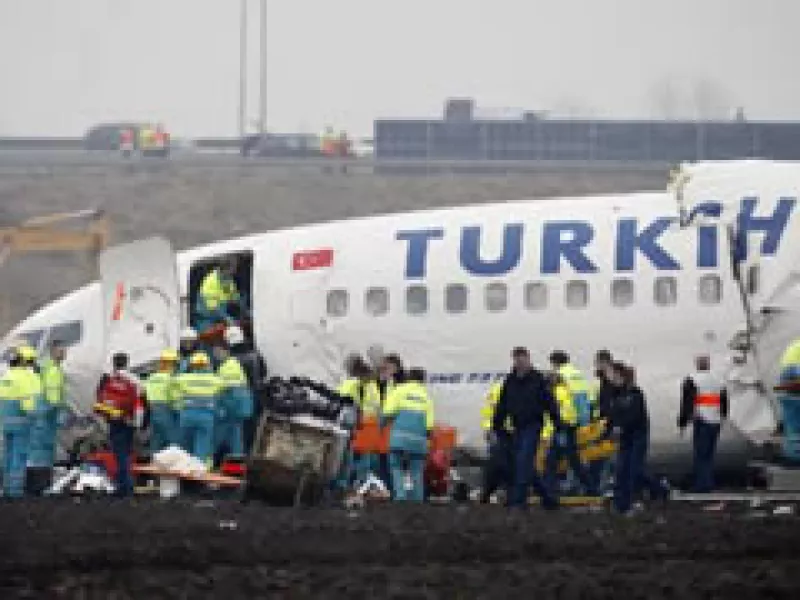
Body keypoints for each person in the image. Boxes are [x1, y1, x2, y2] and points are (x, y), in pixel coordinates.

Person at [492, 346, 561, 510]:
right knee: (523, 464)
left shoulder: (538, 379)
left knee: (523, 460)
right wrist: (497, 425)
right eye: (517, 359)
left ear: (528, 359)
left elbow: (549, 402)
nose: (520, 362)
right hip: (517, 426)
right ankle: (548, 499)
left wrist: (557, 422)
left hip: (533, 425)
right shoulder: (510, 380)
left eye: (523, 359)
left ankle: (518, 501)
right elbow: (502, 404)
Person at [607, 362, 668, 514]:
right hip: (625, 437)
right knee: (622, 469)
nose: (610, 377)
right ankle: (621, 503)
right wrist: (610, 429)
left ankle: (656, 489)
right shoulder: (615, 393)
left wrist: (620, 426)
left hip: (637, 435)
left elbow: (635, 415)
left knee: (634, 469)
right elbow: (613, 414)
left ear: (620, 375)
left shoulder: (635, 393)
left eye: (612, 374)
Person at [94, 353, 145, 497]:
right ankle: (124, 485)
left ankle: (125, 487)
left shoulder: (109, 378)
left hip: (115, 420)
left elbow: (100, 399)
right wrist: (139, 423)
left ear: (114, 363)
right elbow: (141, 401)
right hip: (129, 420)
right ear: (127, 363)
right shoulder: (134, 380)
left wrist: (105, 416)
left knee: (120, 454)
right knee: (126, 453)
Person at [382, 367, 434, 502]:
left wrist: (381, 425)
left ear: (409, 377)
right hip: (418, 439)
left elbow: (388, 411)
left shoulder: (399, 390)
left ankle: (400, 496)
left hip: (399, 436)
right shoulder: (426, 396)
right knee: (416, 469)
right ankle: (418, 499)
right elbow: (429, 424)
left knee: (395, 465)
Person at [678, 355, 728, 493]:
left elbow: (687, 402)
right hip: (715, 420)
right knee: (710, 454)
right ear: (708, 364)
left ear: (697, 365)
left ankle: (701, 484)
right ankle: (708, 482)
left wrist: (682, 423)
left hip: (702, 418)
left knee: (701, 453)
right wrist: (722, 417)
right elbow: (724, 401)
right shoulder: (718, 380)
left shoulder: (692, 380)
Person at [543, 371, 596, 498]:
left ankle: (549, 491)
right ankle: (591, 488)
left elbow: (560, 413)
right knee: (571, 461)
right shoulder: (564, 391)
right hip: (566, 429)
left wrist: (556, 431)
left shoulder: (557, 393)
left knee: (553, 462)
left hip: (563, 429)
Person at [174, 351, 223, 465]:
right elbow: (221, 393)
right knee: (202, 445)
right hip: (206, 416)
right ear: (207, 365)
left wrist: (183, 368)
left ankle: (184, 469)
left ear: (192, 365)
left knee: (185, 445)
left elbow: (174, 382)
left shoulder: (183, 378)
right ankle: (198, 469)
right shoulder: (216, 380)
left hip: (187, 416)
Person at [212, 327, 253, 458]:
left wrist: (220, 408)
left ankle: (211, 462)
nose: (215, 355)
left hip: (231, 406)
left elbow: (222, 389)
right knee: (237, 437)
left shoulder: (228, 366)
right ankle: (238, 461)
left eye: (217, 352)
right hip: (242, 405)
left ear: (226, 350)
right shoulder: (249, 358)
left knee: (220, 436)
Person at [0, 351, 37, 497]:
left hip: (6, 423)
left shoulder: (5, 377)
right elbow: (27, 402)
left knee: (8, 454)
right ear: (21, 362)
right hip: (21, 422)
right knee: (19, 455)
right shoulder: (23, 377)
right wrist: (34, 414)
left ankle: (7, 487)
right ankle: (16, 490)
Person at [340, 355, 381, 486]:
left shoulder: (351, 383)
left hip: (356, 425)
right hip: (369, 426)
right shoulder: (373, 385)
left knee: (347, 458)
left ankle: (344, 486)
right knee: (364, 461)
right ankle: (359, 486)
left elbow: (341, 400)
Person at [34, 340, 68, 468]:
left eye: (65, 351)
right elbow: (46, 392)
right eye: (61, 351)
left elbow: (59, 392)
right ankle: (39, 479)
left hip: (49, 414)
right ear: (53, 351)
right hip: (45, 413)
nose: (64, 354)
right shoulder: (47, 368)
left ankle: (44, 476)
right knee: (41, 448)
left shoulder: (56, 369)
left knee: (48, 447)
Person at [479, 380, 513, 503]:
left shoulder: (497, 389)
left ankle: (496, 491)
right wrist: (489, 428)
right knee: (499, 462)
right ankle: (496, 491)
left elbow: (488, 411)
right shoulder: (501, 390)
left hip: (507, 431)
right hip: (503, 431)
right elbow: (489, 411)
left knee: (499, 462)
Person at [195, 261, 246, 336]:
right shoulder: (210, 282)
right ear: (225, 268)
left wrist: (246, 310)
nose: (235, 272)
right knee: (209, 338)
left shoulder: (227, 278)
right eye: (233, 269)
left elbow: (235, 297)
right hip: (206, 319)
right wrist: (228, 319)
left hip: (221, 315)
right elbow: (214, 307)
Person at [144, 348, 180, 455]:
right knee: (172, 440)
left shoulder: (152, 377)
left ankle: (154, 464)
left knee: (156, 439)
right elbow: (174, 397)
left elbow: (144, 393)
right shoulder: (171, 378)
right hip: (166, 409)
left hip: (152, 410)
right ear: (171, 364)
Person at [549, 350, 592, 426]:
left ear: (554, 362)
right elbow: (582, 396)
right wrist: (584, 419)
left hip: (565, 417)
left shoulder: (559, 375)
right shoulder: (577, 373)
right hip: (579, 416)